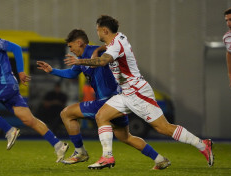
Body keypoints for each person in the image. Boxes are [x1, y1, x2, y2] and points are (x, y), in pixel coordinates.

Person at [64, 16, 214, 169]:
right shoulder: (119, 38)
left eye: (98, 30)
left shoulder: (116, 45)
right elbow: (108, 48)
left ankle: (202, 144)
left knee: (163, 128)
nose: (97, 34)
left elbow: (103, 61)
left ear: (104, 30)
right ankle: (107, 157)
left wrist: (80, 61)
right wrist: (98, 49)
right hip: (126, 93)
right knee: (101, 116)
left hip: (138, 92)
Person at [37, 29, 171, 170]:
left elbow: (112, 46)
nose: (70, 50)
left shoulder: (96, 51)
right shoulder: (81, 60)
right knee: (126, 137)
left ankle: (81, 152)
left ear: (79, 42)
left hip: (107, 101)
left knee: (66, 113)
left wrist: (99, 48)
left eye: (71, 46)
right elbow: (72, 73)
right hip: (116, 102)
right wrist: (52, 70)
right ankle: (160, 159)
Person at [0, 16, 69, 162]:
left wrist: (21, 71)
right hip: (6, 86)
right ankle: (58, 145)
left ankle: (10, 130)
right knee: (29, 120)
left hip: (5, 83)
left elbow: (16, 48)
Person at [223, 7, 231, 89]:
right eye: (226, 20)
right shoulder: (226, 37)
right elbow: (229, 52)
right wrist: (230, 74)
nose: (228, 24)